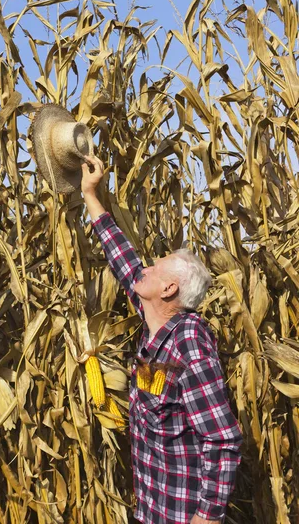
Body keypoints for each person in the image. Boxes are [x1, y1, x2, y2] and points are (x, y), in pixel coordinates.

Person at [81, 155, 243, 524]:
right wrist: (91, 195)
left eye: (155, 268)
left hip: (183, 515)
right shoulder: (154, 320)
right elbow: (123, 261)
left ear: (169, 288)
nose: (145, 269)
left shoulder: (189, 343)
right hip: (153, 507)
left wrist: (208, 516)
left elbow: (222, 438)